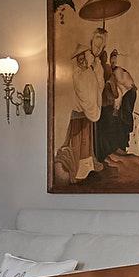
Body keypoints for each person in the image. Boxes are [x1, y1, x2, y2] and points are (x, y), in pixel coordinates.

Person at [53, 43, 102, 183]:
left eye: (83, 58)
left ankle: (86, 169)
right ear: (77, 61)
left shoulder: (89, 71)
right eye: (79, 59)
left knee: (86, 141)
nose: (82, 61)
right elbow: (81, 90)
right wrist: (87, 104)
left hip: (87, 112)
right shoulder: (77, 74)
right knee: (77, 141)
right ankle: (78, 170)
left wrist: (96, 68)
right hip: (78, 111)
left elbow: (96, 87)